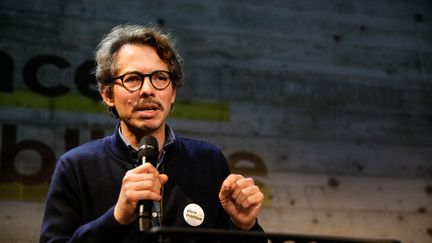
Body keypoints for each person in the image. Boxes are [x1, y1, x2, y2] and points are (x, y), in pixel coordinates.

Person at [39, 23, 265, 242]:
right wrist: (116, 217)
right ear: (108, 95)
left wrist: (245, 226)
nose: (148, 90)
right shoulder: (76, 166)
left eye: (160, 77)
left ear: (173, 92)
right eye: (133, 79)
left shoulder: (208, 160)